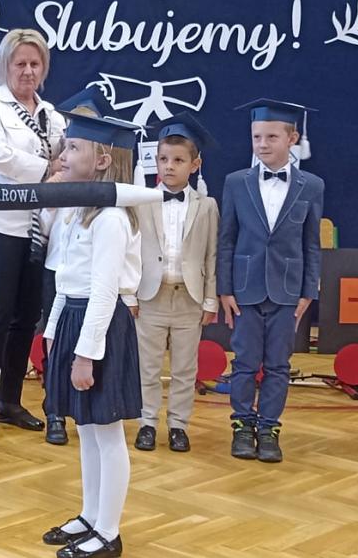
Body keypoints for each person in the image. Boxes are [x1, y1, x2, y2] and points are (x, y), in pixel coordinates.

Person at [39, 114, 144, 558]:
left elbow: (103, 291)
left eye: (73, 148)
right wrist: (52, 331)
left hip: (99, 327)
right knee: (85, 427)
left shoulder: (111, 219)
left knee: (106, 429)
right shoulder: (76, 212)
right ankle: (90, 515)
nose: (63, 155)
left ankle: (108, 532)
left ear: (102, 160)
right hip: (73, 320)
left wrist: (85, 355)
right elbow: (66, 280)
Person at [0, 29, 66, 439]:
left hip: (41, 228)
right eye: (20, 63)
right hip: (0, 225)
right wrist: (47, 170)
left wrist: (62, 167)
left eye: (35, 63)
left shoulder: (54, 115)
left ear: (44, 68)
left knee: (27, 317)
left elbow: (68, 158)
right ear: (4, 66)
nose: (28, 71)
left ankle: (10, 401)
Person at [216, 98, 325, 464]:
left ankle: (269, 428)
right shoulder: (236, 182)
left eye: (271, 137)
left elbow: (311, 243)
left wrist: (308, 291)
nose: (262, 144)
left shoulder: (312, 186)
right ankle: (242, 425)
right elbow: (227, 239)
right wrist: (224, 288)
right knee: (245, 361)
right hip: (245, 289)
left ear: (292, 138)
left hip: (287, 290)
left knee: (279, 363)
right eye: (256, 137)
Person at [131, 112, 219, 454]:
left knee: (184, 368)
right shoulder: (141, 202)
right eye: (164, 159)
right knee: (147, 365)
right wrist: (129, 295)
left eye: (179, 160)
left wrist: (210, 299)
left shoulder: (207, 206)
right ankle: (147, 422)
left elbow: (211, 255)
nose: (169, 166)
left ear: (195, 165)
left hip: (189, 299)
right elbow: (131, 250)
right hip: (150, 296)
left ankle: (179, 425)